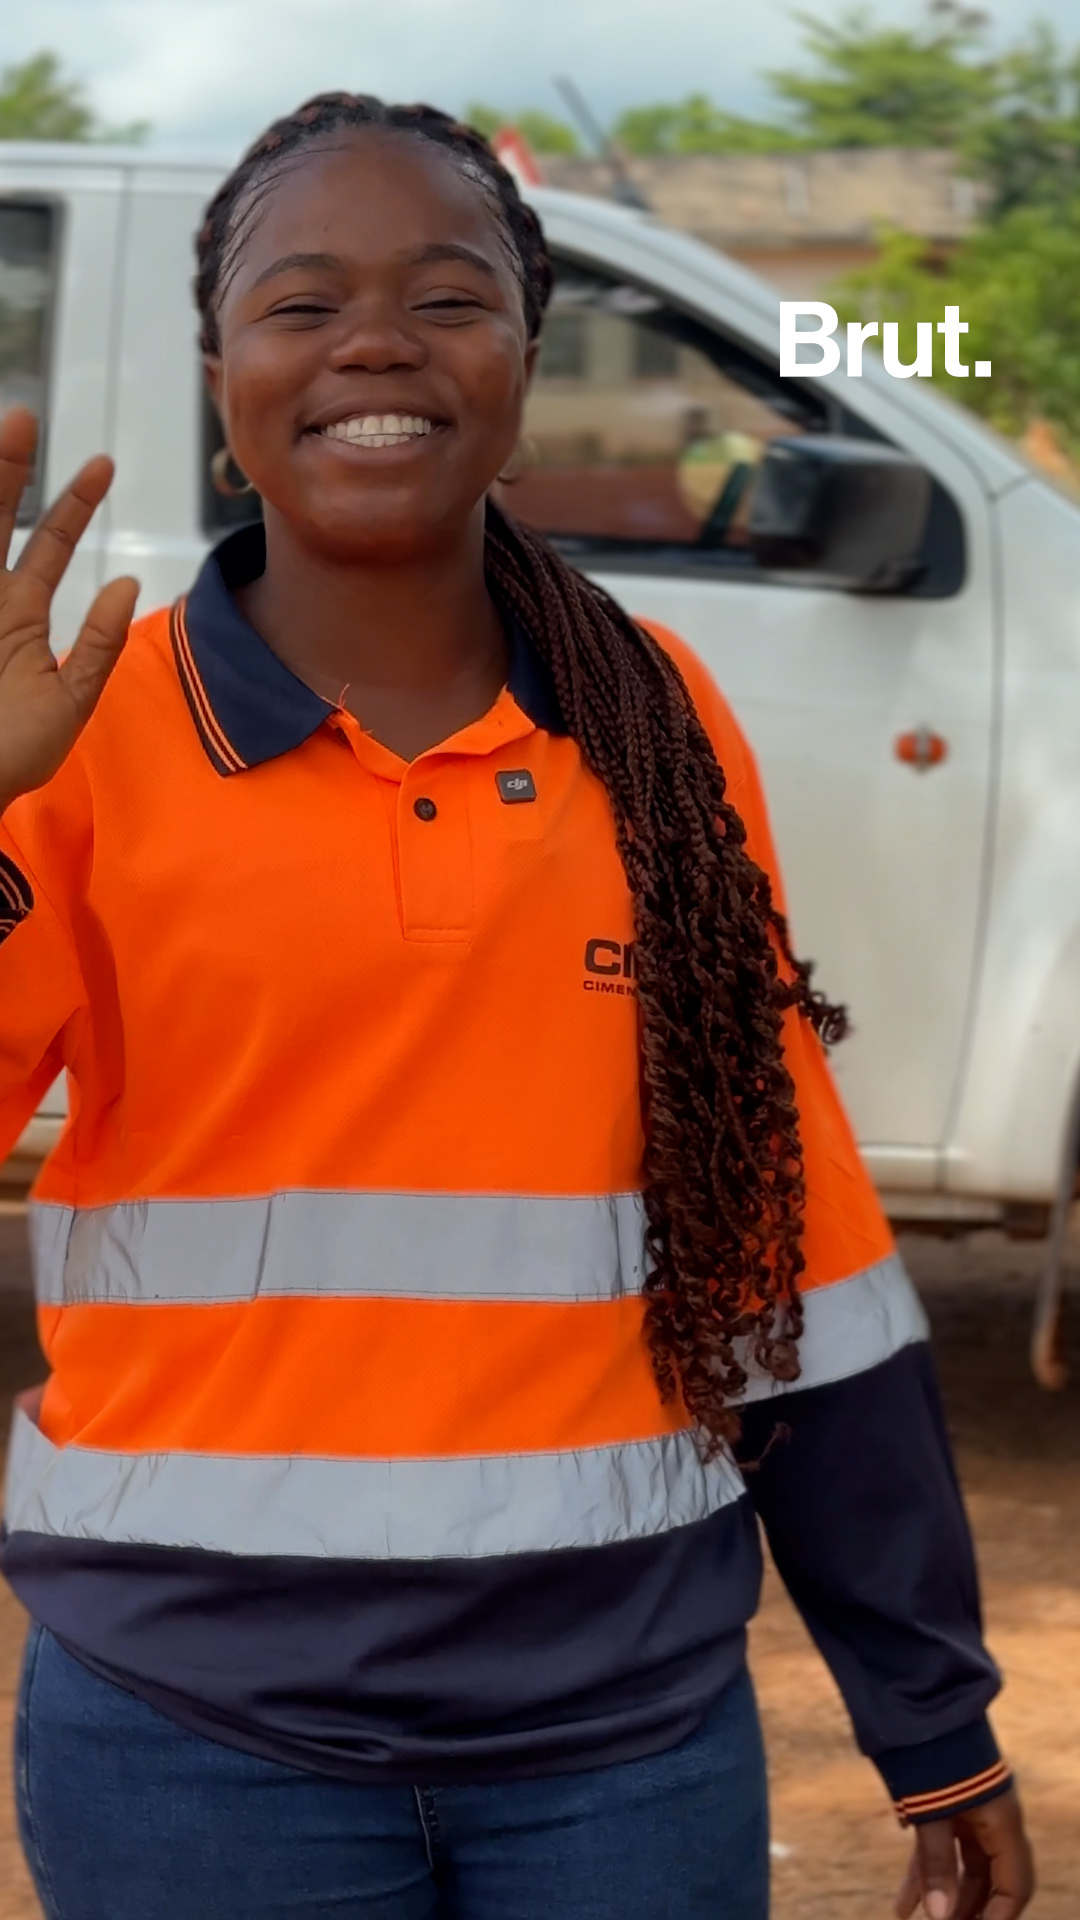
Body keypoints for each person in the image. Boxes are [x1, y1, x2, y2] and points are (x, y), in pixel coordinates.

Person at [0, 96, 1034, 1920]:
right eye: (300, 302)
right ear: (219, 371)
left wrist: (931, 1718)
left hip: (621, 1753)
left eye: (447, 295)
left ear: (529, 360)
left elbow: (785, 1240)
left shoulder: (659, 722)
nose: (375, 342)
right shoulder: (83, 742)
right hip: (191, 1738)